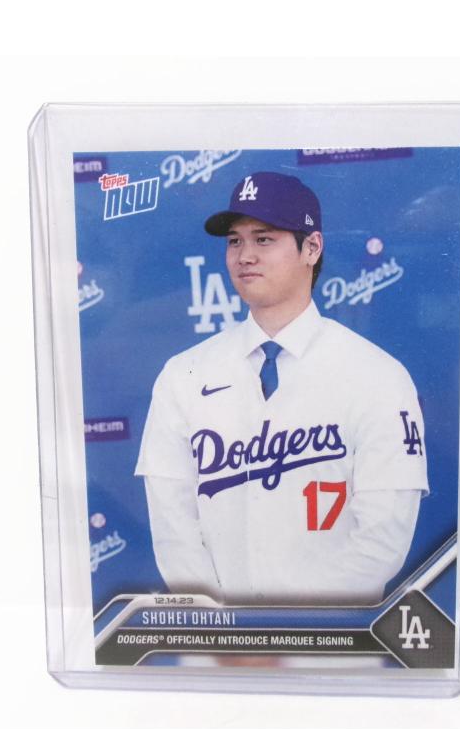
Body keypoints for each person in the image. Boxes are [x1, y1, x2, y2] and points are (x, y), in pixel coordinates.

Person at [135, 171, 428, 605]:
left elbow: (382, 538)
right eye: (234, 241)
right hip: (221, 636)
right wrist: (228, 625)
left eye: (264, 239)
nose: (245, 255)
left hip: (333, 634)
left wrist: (295, 627)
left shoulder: (378, 376)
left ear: (312, 248)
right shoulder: (183, 374)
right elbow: (172, 526)